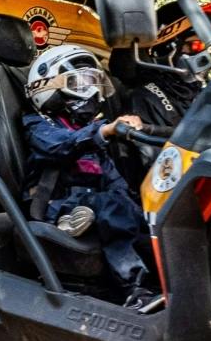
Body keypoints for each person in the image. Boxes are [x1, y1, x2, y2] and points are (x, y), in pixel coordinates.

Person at [22, 44, 163, 313]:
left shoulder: (89, 134)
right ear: (48, 86)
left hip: (93, 200)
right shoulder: (38, 123)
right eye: (83, 82)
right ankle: (134, 290)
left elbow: (110, 177)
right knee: (111, 207)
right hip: (55, 201)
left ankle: (166, 282)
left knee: (135, 213)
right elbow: (59, 146)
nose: (92, 91)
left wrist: (136, 207)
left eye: (95, 82)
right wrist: (104, 129)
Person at [106, 0, 211, 179]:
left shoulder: (204, 98)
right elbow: (161, 173)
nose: (207, 57)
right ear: (166, 46)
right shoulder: (144, 98)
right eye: (197, 46)